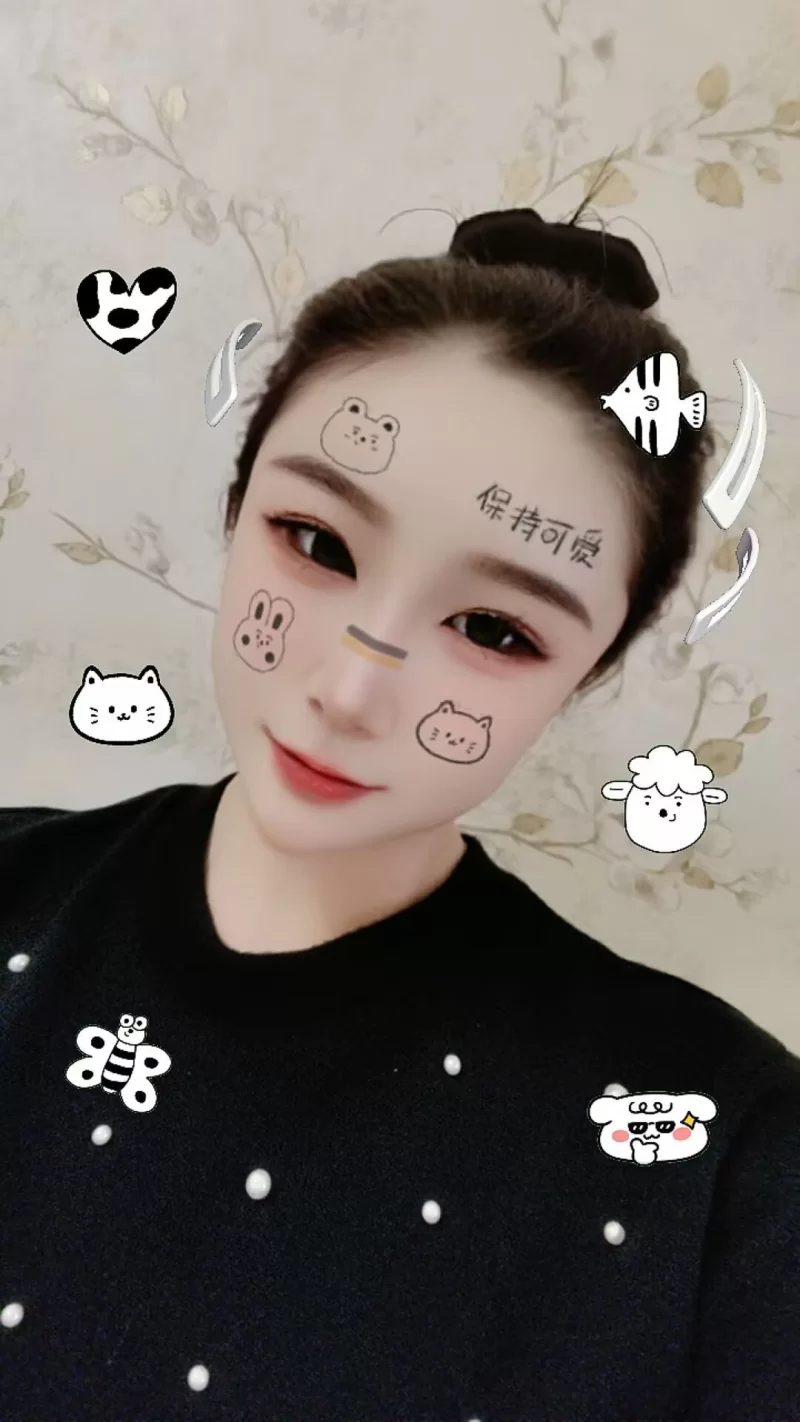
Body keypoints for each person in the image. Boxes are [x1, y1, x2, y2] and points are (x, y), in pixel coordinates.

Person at [1, 209, 798, 1422]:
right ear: (235, 508)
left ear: (583, 673)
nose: (348, 692)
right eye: (314, 541)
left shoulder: (722, 1153)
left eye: (491, 630)